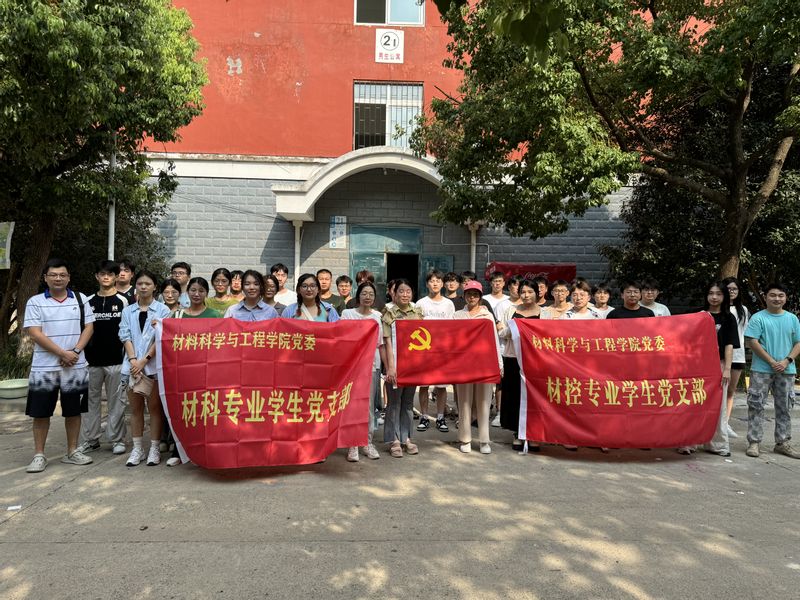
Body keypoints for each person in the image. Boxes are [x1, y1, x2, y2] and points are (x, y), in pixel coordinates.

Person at [23, 258, 96, 473]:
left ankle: (72, 451)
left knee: (74, 411)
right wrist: (62, 353)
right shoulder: (35, 302)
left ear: (68, 278)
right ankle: (39, 455)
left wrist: (75, 352)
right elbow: (34, 333)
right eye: (53, 275)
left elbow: (89, 327)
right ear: (45, 278)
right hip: (44, 368)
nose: (58, 278)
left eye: (62, 275)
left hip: (75, 366)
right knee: (40, 412)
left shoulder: (81, 299)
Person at [678, 282, 738, 456]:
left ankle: (716, 444)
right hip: (696, 365)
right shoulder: (697, 315)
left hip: (718, 365)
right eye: (711, 293)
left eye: (718, 294)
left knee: (718, 406)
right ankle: (688, 442)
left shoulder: (729, 318)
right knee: (692, 403)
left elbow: (729, 345)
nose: (714, 297)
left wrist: (727, 369)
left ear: (724, 296)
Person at [119, 270, 171, 467]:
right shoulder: (127, 311)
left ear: (154, 286)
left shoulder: (163, 310)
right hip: (132, 367)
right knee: (135, 409)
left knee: (154, 409)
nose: (143, 287)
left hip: (153, 366)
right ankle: (137, 448)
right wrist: (134, 360)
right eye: (140, 283)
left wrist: (144, 360)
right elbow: (125, 336)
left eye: (147, 284)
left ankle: (154, 448)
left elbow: (161, 338)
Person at [166, 277, 220, 467]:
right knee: (184, 412)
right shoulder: (177, 315)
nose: (197, 294)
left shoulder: (216, 315)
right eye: (193, 290)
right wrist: (159, 327)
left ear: (207, 293)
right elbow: (167, 341)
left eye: (201, 291)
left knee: (205, 412)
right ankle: (178, 451)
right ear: (187, 292)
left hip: (207, 372)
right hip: (183, 373)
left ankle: (206, 450)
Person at [743, 282, 800, 459]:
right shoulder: (758, 318)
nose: (777, 298)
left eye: (780, 295)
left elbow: (798, 342)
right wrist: (772, 361)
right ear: (765, 297)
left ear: (785, 298)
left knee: (785, 407)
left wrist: (787, 360)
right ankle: (754, 442)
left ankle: (782, 443)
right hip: (761, 369)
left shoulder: (792, 318)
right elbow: (752, 341)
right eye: (773, 295)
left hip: (787, 369)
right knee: (756, 405)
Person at [78, 260, 129, 457]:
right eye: (102, 274)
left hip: (117, 361)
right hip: (91, 362)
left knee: (117, 402)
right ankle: (91, 440)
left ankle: (116, 439)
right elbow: (83, 329)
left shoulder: (124, 301)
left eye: (110, 274)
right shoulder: (88, 301)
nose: (106, 277)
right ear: (97, 277)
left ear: (116, 277)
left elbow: (128, 330)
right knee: (90, 402)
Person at [453, 281, 503, 454]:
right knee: (464, 401)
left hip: (484, 364)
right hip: (463, 365)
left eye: (475, 294)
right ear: (464, 296)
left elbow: (494, 340)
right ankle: (465, 438)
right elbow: (452, 341)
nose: (472, 297)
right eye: (469, 294)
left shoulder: (487, 315)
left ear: (480, 297)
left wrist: (499, 363)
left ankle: (484, 440)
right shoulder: (457, 315)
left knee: (484, 402)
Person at [341, 281, 386, 461]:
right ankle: (352, 445)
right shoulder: (347, 314)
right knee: (352, 405)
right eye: (364, 293)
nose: (367, 297)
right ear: (358, 295)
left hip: (371, 366)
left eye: (371, 294)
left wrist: (387, 367)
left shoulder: (377, 316)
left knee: (368, 405)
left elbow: (380, 344)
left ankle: (367, 442)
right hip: (351, 367)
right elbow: (342, 338)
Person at [382, 278, 424, 457]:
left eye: (408, 291)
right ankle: (394, 440)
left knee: (407, 403)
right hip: (395, 365)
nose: (405, 295)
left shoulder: (417, 312)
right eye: (401, 291)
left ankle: (406, 438)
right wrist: (390, 367)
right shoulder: (389, 313)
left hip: (412, 366)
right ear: (394, 293)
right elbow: (387, 342)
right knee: (394, 403)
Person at [497, 279, 541, 450]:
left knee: (534, 397)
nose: (526, 295)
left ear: (537, 293)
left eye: (530, 292)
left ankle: (533, 433)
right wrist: (515, 328)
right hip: (513, 358)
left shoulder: (545, 313)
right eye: (523, 292)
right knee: (514, 395)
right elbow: (501, 333)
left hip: (536, 361)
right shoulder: (511, 310)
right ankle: (517, 432)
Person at [414, 270, 455, 433]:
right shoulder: (420, 303)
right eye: (432, 281)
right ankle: (424, 416)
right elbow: (415, 327)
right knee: (424, 385)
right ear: (427, 284)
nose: (435, 283)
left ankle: (440, 417)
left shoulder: (448, 304)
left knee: (441, 386)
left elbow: (452, 328)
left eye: (438, 280)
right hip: (424, 350)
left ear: (442, 284)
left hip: (442, 351)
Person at [722, 276, 750, 438]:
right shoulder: (718, 308)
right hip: (719, 355)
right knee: (717, 390)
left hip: (738, 355)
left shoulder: (743, 310)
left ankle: (725, 423)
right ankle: (715, 423)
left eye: (734, 289)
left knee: (731, 391)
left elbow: (744, 333)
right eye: (728, 289)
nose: (731, 292)